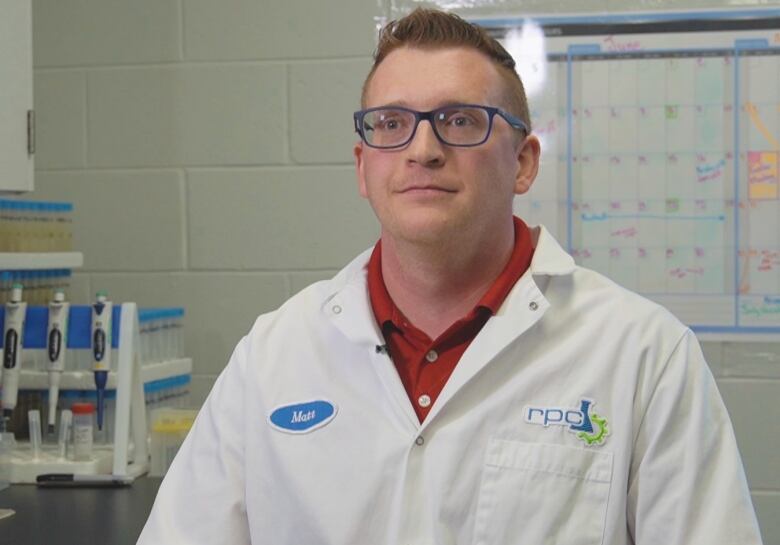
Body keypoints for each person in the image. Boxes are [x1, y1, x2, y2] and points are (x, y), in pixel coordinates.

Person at [138, 8, 763, 545]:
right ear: (363, 167)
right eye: (391, 123)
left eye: (461, 120)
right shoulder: (273, 356)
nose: (422, 149)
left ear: (522, 162)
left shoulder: (644, 356)